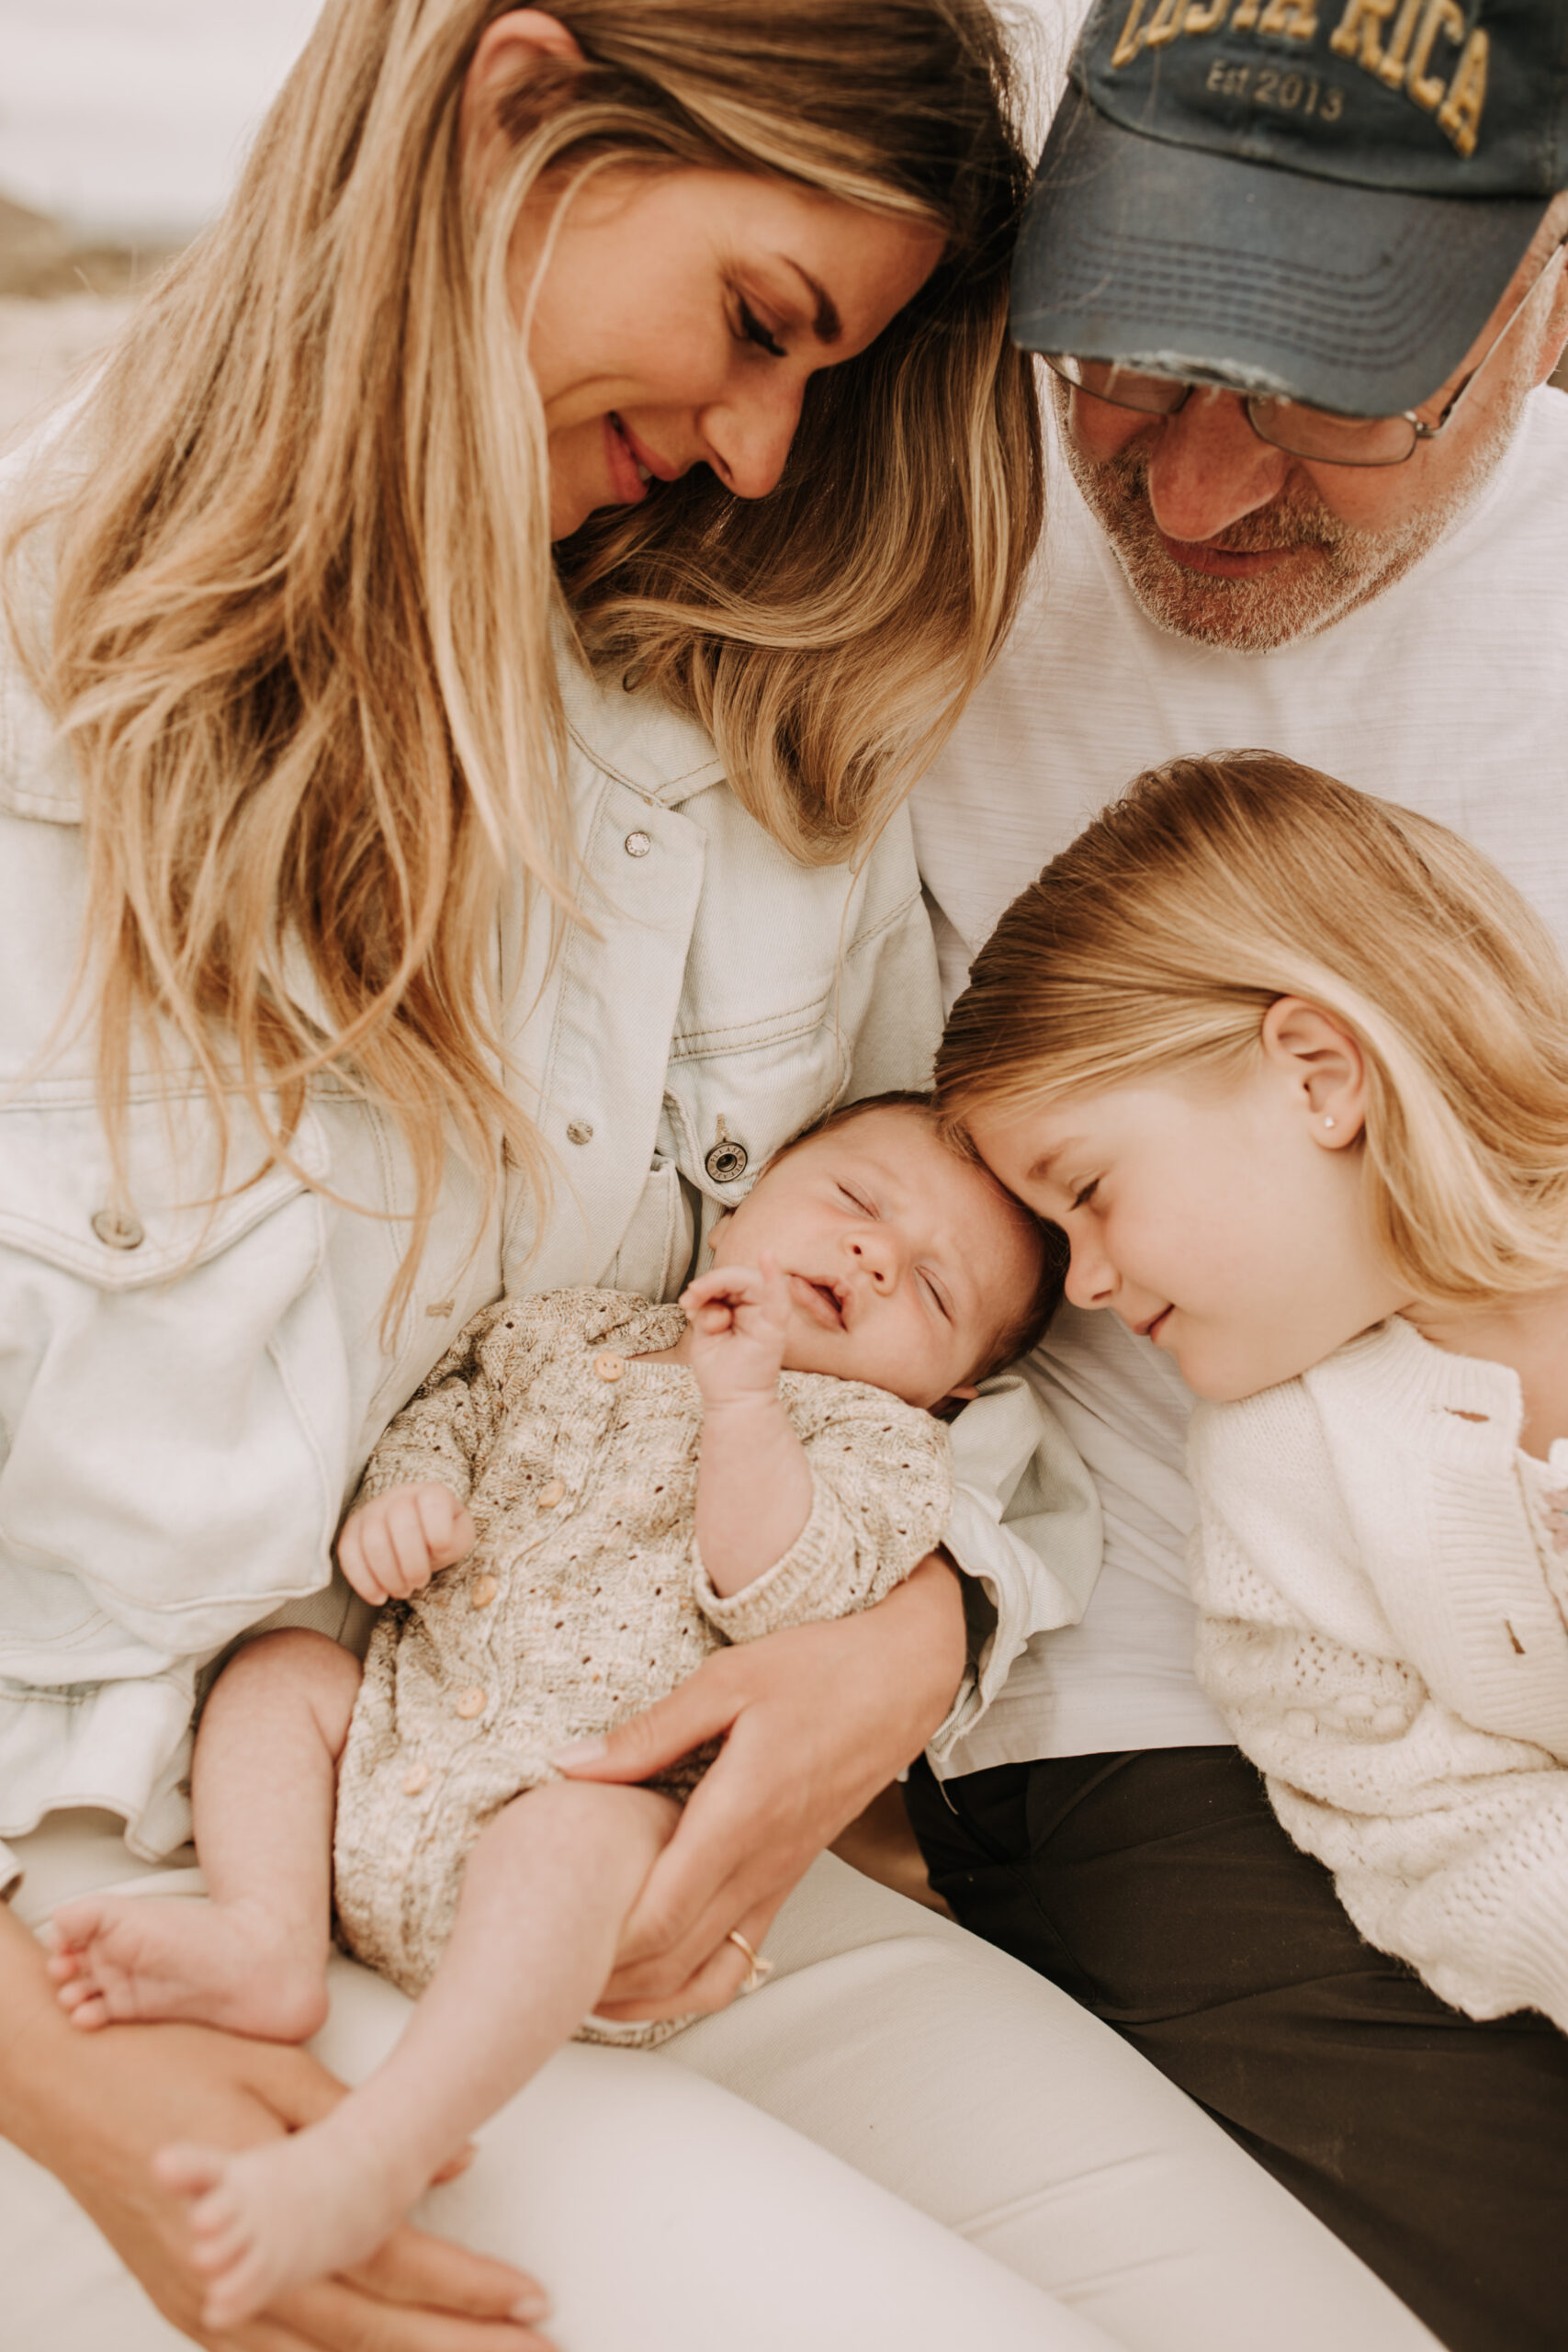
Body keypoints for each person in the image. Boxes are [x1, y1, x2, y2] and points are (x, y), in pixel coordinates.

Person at [0, 4, 1435, 2350]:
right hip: (120, 1895)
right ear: (516, 103)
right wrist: (46, 2071)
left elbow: (957, 1333)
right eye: (760, 323)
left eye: (826, 376)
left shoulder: (721, 725)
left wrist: (911, 1635)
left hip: (617, 1819)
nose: (765, 454)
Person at [903, 4, 1568, 2347]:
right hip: (1171, 1689)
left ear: (1542, 287)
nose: (1187, 496)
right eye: (1118, 363)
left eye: (1323, 390)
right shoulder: (904, 567)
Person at [47, 1098, 1057, 2329]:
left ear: (953, 1391)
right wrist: (409, 1498)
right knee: (278, 1680)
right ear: (742, 1199)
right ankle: (268, 1941)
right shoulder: (573, 1328)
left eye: (933, 1291)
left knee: (571, 1837)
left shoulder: (879, 1452)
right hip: (397, 1735)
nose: (876, 1255)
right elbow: (456, 1410)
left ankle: (383, 2145)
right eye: (852, 1201)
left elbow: (786, 1593)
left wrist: (742, 1403)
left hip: (599, 1833)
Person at [939, 747, 1568, 2029]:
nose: (1090, 1286)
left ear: (1318, 1076)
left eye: (1090, 1194)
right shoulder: (1281, 1486)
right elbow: (1435, 1840)